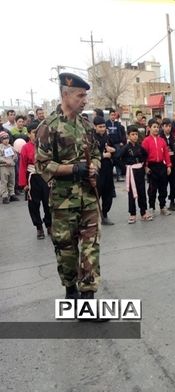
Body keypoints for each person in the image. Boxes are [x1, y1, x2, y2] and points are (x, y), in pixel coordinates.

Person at [35, 72, 101, 300]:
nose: (84, 100)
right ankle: (70, 290)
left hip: (89, 196)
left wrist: (94, 167)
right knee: (66, 250)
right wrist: (74, 169)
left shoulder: (86, 125)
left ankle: (88, 298)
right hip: (63, 201)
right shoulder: (48, 127)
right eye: (80, 96)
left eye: (85, 96)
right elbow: (43, 165)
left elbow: (95, 153)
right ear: (65, 94)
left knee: (91, 246)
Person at [19, 125, 51, 238]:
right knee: (34, 204)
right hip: (32, 177)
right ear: (28, 134)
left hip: (45, 176)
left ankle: (49, 224)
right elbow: (22, 166)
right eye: (33, 132)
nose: (36, 135)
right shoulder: (25, 148)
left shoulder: (45, 145)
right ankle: (39, 227)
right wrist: (24, 184)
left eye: (38, 132)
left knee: (48, 202)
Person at [117, 125, 150, 223]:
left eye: (136, 134)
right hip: (131, 172)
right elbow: (117, 158)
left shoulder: (140, 146)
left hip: (139, 171)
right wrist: (125, 167)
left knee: (142, 192)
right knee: (131, 193)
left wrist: (143, 164)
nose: (135, 136)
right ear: (128, 136)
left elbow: (145, 155)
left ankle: (143, 212)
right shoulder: (126, 148)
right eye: (132, 134)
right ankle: (132, 213)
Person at [142, 118, 172, 217]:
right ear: (149, 128)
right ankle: (151, 207)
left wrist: (168, 165)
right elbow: (143, 155)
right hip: (152, 167)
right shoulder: (146, 141)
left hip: (161, 166)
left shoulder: (162, 141)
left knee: (163, 188)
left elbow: (166, 154)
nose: (156, 129)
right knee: (152, 189)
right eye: (154, 127)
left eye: (157, 127)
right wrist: (145, 167)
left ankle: (163, 206)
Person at [93, 116, 116, 225]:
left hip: (108, 169)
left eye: (103, 126)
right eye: (100, 127)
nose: (102, 129)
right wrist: (103, 155)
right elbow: (89, 155)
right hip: (97, 170)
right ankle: (95, 216)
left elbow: (114, 150)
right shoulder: (91, 138)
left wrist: (113, 150)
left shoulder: (107, 137)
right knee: (97, 193)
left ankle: (105, 214)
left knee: (108, 193)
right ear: (95, 127)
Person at [160, 118, 175, 211]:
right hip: (163, 165)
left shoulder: (174, 138)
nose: (168, 128)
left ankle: (172, 201)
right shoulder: (159, 138)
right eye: (166, 126)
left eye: (170, 126)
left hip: (173, 165)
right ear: (162, 127)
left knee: (173, 184)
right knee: (163, 184)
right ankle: (162, 203)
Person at [106, 108, 126, 181]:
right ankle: (110, 177)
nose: (113, 116)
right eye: (112, 115)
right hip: (109, 145)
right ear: (109, 115)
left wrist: (121, 142)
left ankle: (119, 176)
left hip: (117, 144)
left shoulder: (118, 124)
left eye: (114, 115)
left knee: (118, 159)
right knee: (110, 160)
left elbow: (120, 134)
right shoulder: (106, 123)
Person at [0, 131, 18, 203]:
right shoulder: (0, 147)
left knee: (12, 180)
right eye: (4, 139)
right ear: (1, 140)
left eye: (7, 138)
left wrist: (14, 157)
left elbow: (15, 155)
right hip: (4, 167)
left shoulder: (11, 147)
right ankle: (4, 195)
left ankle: (12, 194)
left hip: (11, 166)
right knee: (4, 181)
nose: (6, 140)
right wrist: (4, 161)